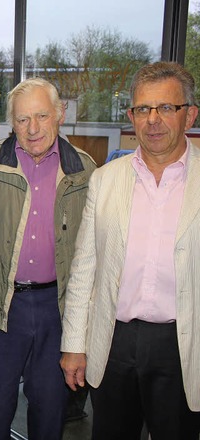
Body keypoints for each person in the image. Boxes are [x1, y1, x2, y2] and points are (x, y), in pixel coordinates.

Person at [60, 62, 200, 439]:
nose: (153, 120)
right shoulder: (106, 180)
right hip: (113, 342)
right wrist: (74, 345)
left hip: (183, 344)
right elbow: (84, 270)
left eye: (166, 108)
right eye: (143, 109)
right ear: (131, 116)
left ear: (189, 115)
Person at [0, 77, 96, 440]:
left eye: (41, 116)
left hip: (57, 308)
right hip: (2, 307)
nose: (33, 128)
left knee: (50, 407)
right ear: (11, 122)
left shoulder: (85, 169)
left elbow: (94, 249)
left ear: (59, 115)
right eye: (22, 119)